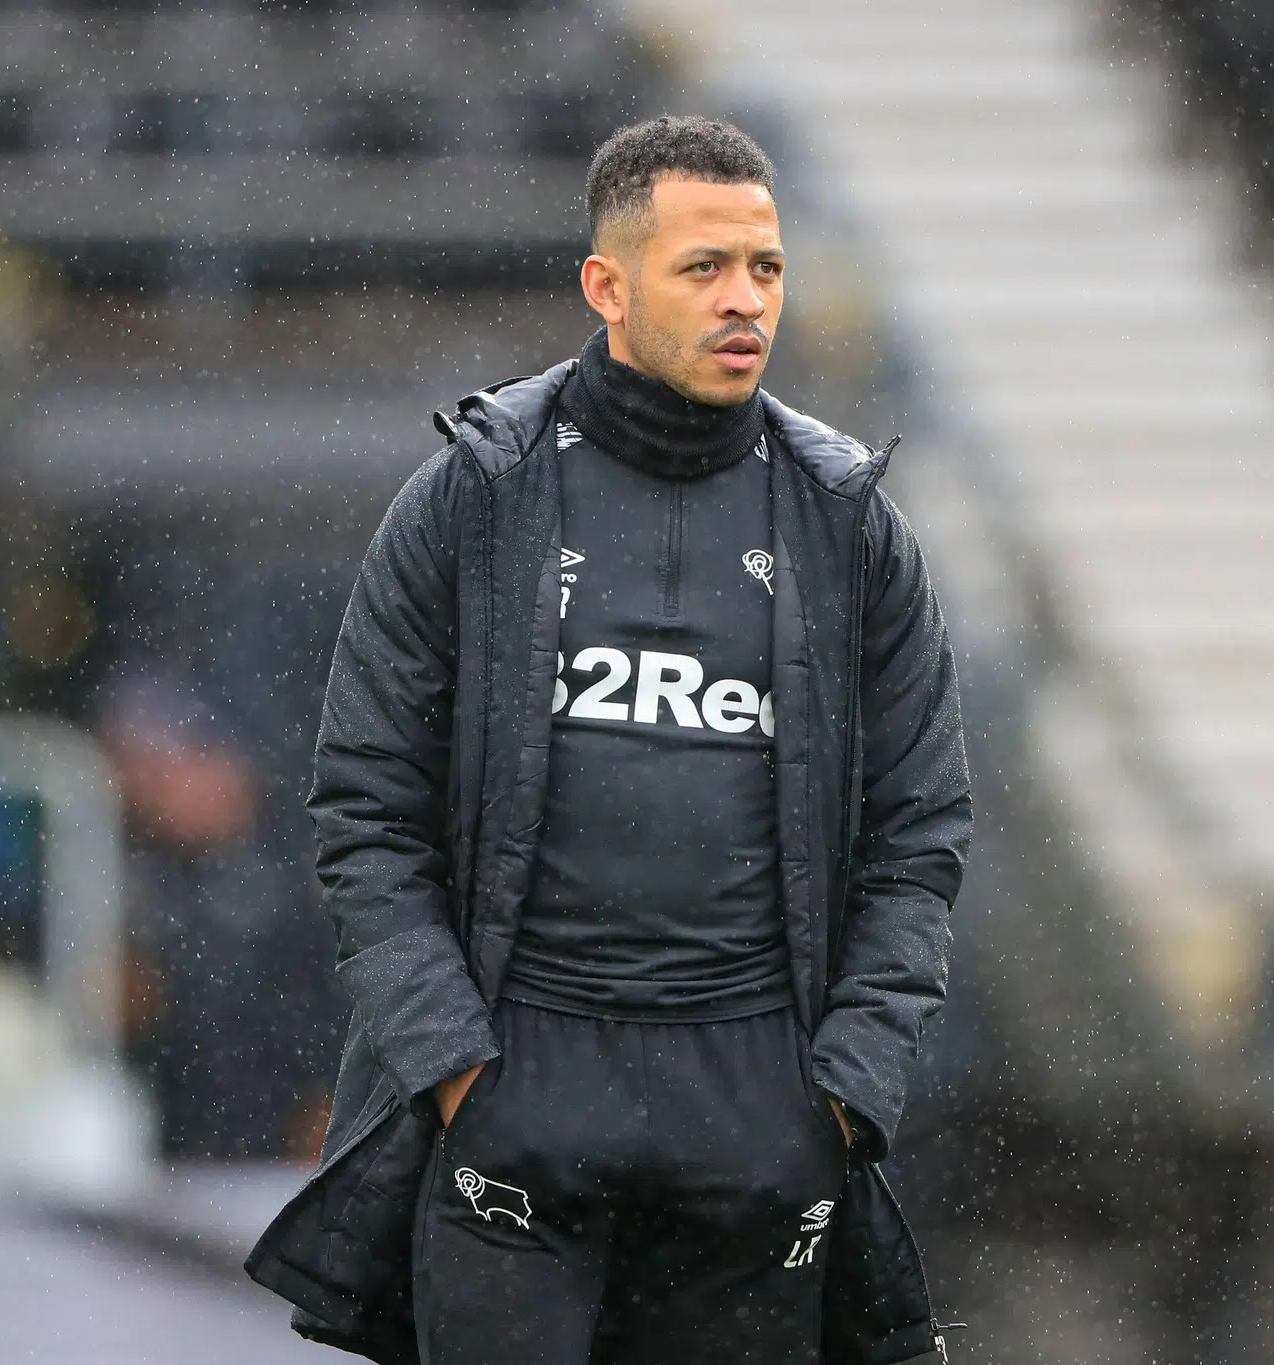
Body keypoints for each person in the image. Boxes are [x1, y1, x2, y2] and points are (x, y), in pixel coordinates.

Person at [248, 116, 971, 1365]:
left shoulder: (851, 527)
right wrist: (456, 1068)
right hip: (518, 1098)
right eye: (705, 268)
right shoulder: (476, 496)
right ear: (607, 283)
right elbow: (363, 810)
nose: (746, 300)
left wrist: (845, 1091)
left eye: (767, 267)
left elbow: (919, 836)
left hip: (761, 1116)